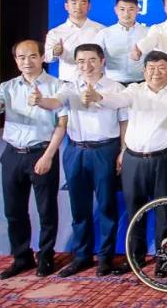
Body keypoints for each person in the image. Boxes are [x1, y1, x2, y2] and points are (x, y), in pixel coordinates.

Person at [0, 39, 67, 279]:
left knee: (46, 210)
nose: (27, 62)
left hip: (41, 152)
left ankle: (46, 256)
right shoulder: (8, 87)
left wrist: (48, 156)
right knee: (14, 210)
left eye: (32, 56)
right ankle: (21, 256)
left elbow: (61, 125)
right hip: (12, 154)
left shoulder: (58, 86)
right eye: (21, 57)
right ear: (16, 60)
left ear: (42, 57)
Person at [31, 43, 129, 277]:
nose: (87, 65)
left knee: (106, 206)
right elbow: (55, 102)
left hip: (105, 150)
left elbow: (124, 122)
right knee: (79, 207)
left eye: (92, 60)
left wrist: (123, 150)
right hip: (75, 151)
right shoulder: (69, 87)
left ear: (102, 61)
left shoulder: (116, 88)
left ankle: (105, 258)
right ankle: (82, 256)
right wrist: (40, 100)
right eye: (81, 61)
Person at [93, 51, 167, 274]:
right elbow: (116, 100)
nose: (156, 73)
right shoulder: (134, 90)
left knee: (164, 211)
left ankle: (163, 258)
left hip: (164, 159)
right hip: (133, 159)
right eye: (151, 68)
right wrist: (98, 97)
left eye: (162, 68)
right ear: (144, 71)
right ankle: (135, 257)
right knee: (134, 210)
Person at [45, 0, 104, 81]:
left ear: (89, 6)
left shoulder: (101, 30)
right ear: (66, 6)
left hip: (95, 81)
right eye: (74, 3)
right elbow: (46, 58)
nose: (78, 7)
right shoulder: (56, 32)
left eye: (83, 3)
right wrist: (55, 52)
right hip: (68, 81)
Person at [96, 0, 147, 84]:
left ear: (138, 9)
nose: (126, 14)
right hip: (112, 83)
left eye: (131, 9)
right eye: (122, 9)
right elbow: (93, 56)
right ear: (116, 10)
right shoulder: (105, 33)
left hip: (141, 83)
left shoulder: (147, 32)